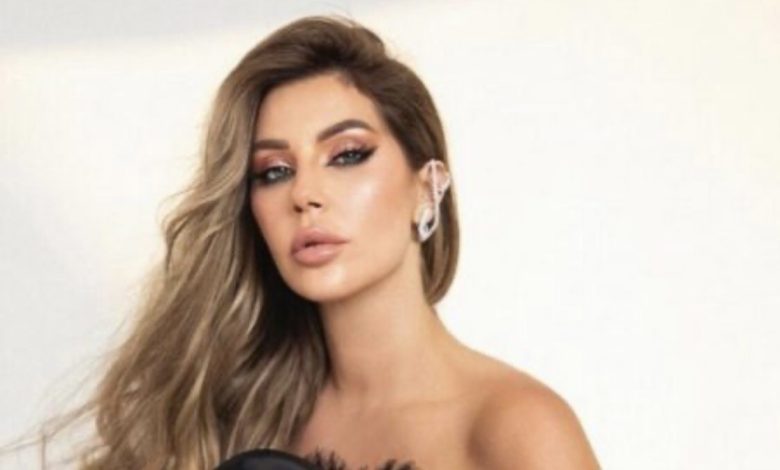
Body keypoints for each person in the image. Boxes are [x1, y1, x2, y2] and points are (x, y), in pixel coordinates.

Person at [8, 14, 600, 470]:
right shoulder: (236, 414)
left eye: (347, 155)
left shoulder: (517, 427)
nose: (304, 195)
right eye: (274, 171)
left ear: (428, 187)